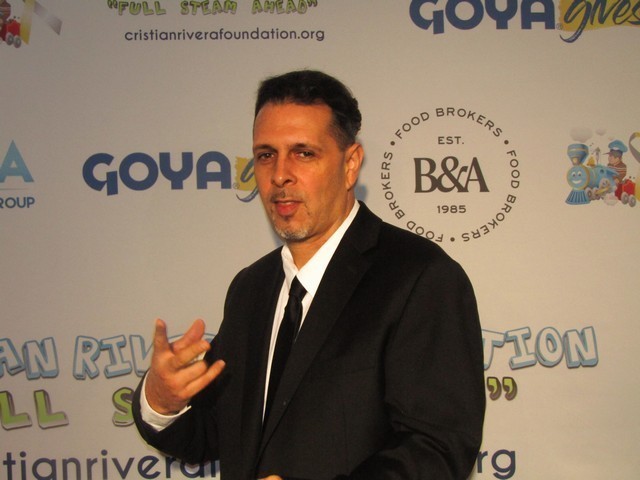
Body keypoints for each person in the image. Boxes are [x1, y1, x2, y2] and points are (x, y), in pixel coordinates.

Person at [133, 70, 485, 480]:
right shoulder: (250, 288)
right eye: (266, 155)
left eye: (303, 153)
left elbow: (437, 449)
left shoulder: (419, 277)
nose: (279, 175)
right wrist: (162, 401)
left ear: (350, 164)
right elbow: (216, 434)